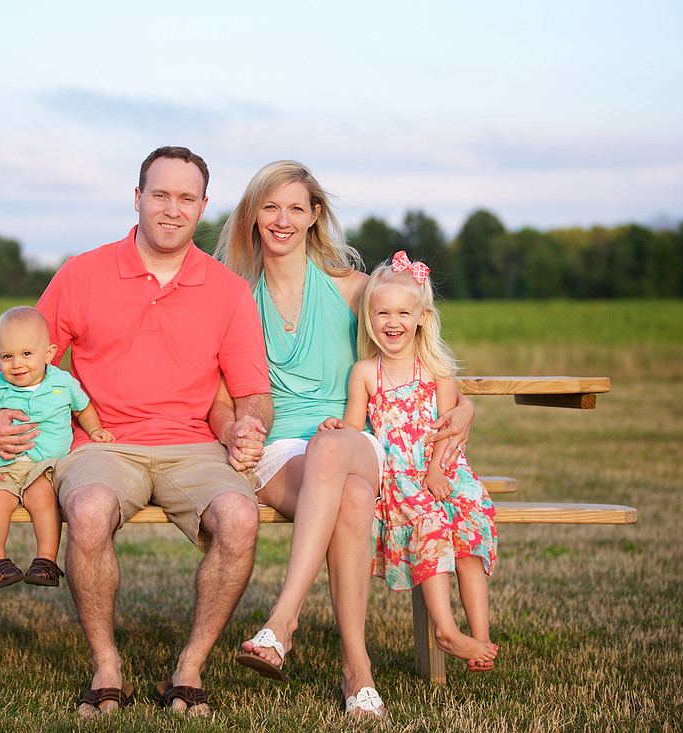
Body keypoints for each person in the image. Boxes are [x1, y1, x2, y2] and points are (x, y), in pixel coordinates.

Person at [0, 147, 273, 719]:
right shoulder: (81, 274)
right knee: (88, 509)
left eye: (186, 198)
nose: (172, 208)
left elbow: (252, 390)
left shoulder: (228, 290)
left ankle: (189, 669)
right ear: (136, 197)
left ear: (204, 207)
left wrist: (250, 426)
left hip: (194, 445)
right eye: (160, 194)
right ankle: (107, 667)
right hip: (102, 444)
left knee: (240, 519)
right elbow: (27, 360)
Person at [212, 161, 475, 721]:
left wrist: (465, 404)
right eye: (270, 207)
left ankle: (282, 621)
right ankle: (357, 670)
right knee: (352, 498)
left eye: (296, 208)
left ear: (314, 217)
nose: (282, 220)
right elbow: (215, 396)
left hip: (357, 443)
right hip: (278, 454)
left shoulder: (354, 290)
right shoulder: (231, 297)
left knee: (332, 447)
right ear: (252, 216)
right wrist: (233, 431)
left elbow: (420, 344)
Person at [323, 252, 498, 671]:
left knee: (468, 535)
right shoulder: (365, 372)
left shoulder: (436, 369)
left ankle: (481, 636)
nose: (392, 321)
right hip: (401, 481)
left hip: (444, 470)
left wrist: (438, 468)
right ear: (369, 318)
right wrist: (339, 428)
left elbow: (447, 428)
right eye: (382, 312)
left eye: (403, 312)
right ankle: (444, 628)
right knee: (431, 526)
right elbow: (356, 427)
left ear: (422, 316)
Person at [0, 306, 114, 591]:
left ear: (49, 354)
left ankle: (46, 561)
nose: (17, 364)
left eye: (26, 354)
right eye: (7, 356)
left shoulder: (62, 383)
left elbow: (83, 408)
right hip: (3, 466)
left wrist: (94, 429)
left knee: (43, 499)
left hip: (43, 468)